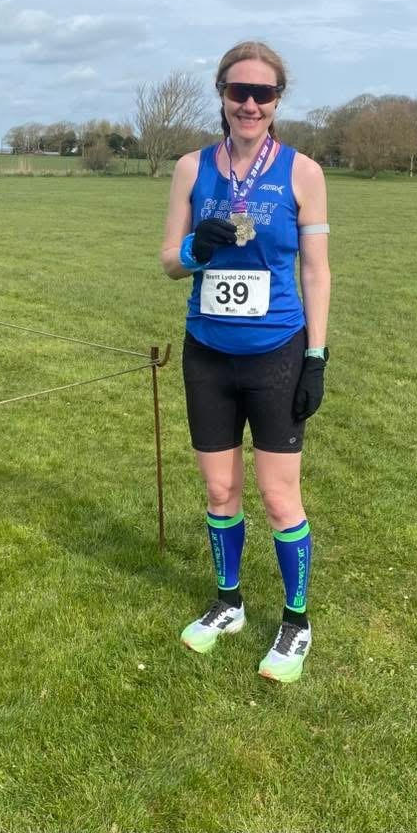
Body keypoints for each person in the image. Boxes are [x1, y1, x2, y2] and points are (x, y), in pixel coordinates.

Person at [160, 41, 330, 683]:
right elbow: (169, 261)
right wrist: (195, 251)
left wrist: (316, 355)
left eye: (263, 93)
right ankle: (229, 603)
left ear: (278, 100)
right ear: (223, 95)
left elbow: (316, 270)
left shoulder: (303, 173)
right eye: (239, 91)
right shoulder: (191, 168)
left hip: (276, 353)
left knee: (279, 496)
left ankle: (296, 620)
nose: (250, 104)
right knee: (219, 490)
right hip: (207, 352)